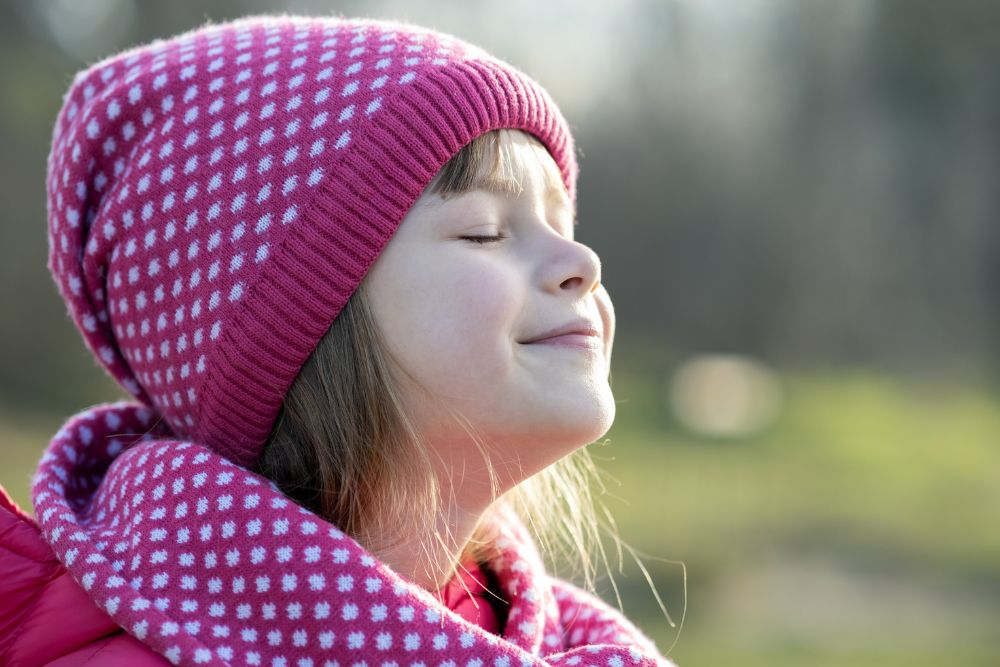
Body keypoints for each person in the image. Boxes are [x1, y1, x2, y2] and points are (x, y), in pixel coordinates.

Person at [0, 14, 677, 666]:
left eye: (562, 221)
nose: (581, 261)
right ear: (300, 325)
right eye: (484, 231)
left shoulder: (569, 641)